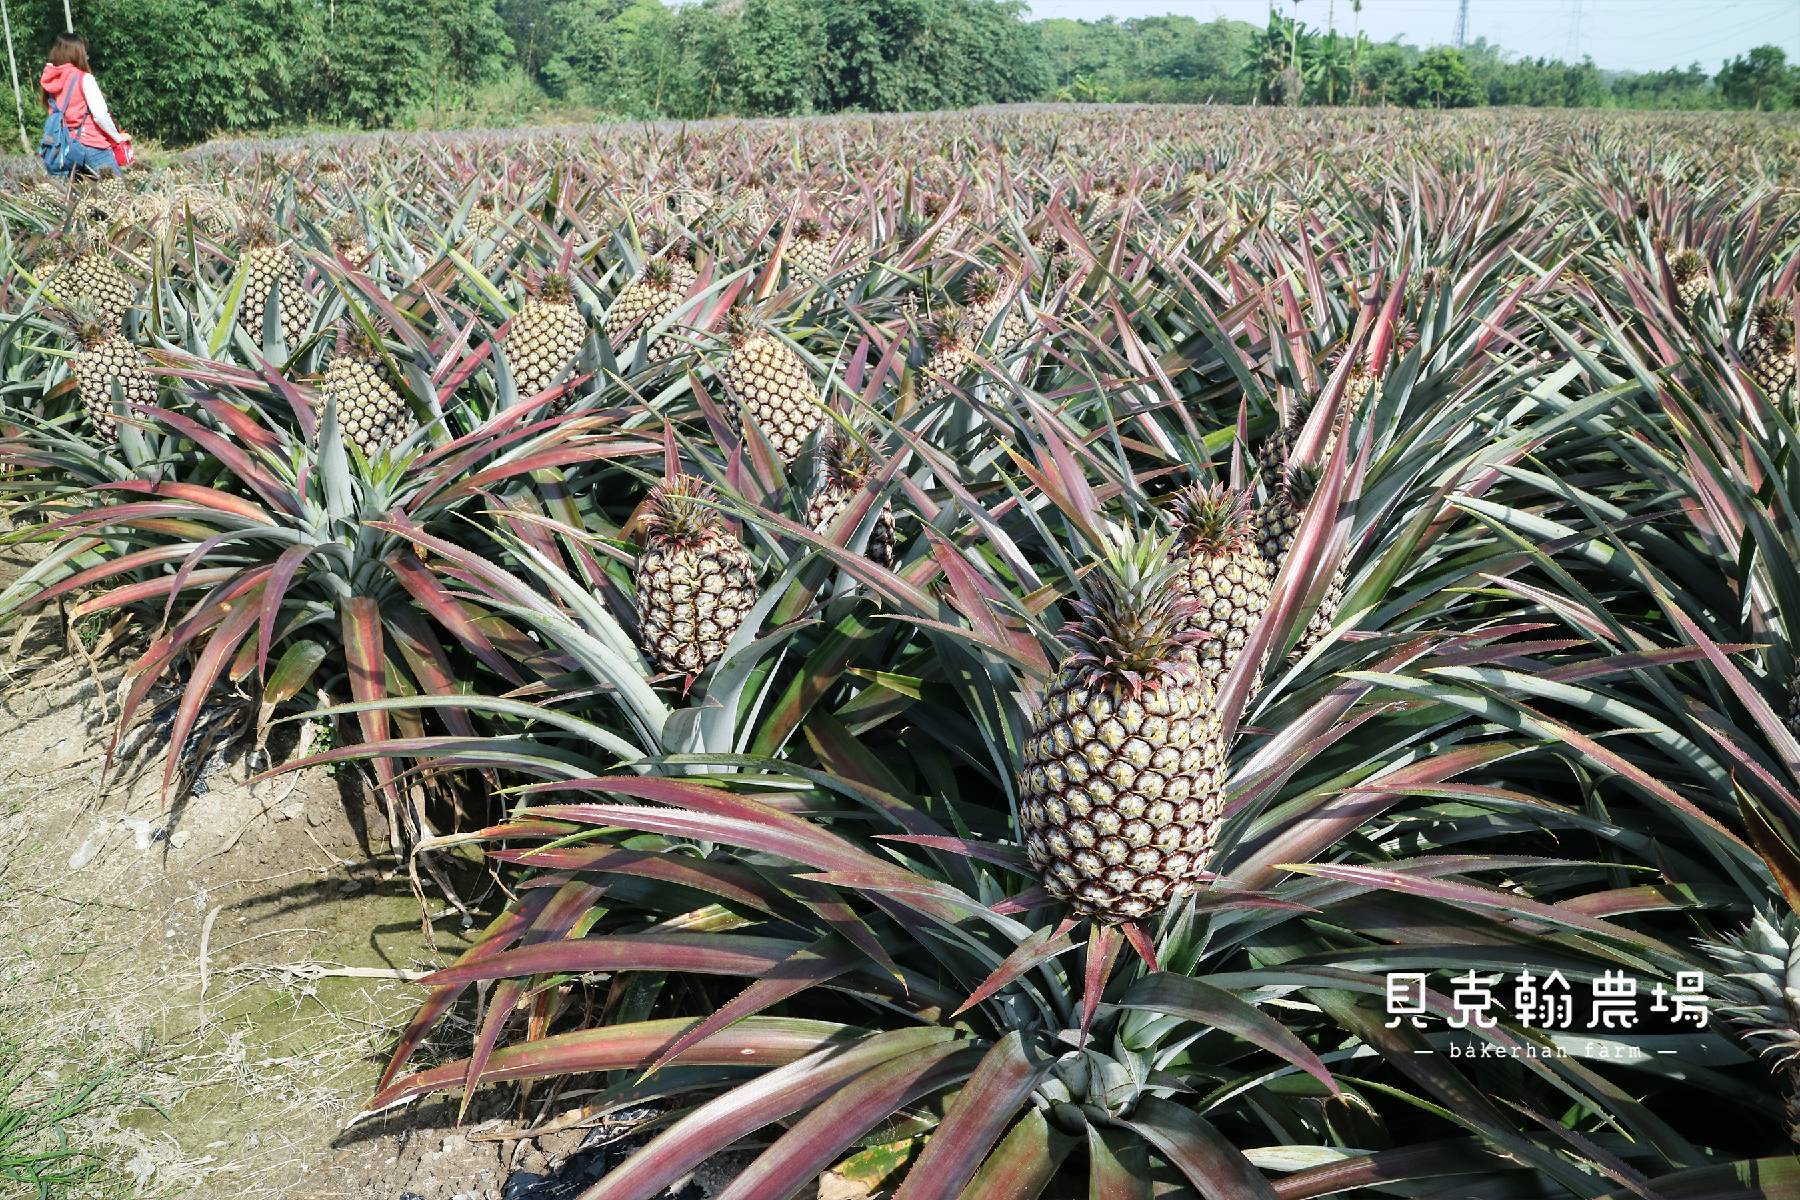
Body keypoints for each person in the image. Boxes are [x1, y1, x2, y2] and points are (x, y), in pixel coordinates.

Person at [39, 33, 130, 178]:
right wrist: (118, 138)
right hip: (91, 144)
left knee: (77, 198)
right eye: (85, 53)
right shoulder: (84, 78)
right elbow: (100, 115)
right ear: (78, 54)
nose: (87, 57)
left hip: (63, 149)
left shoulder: (50, 80)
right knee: (117, 193)